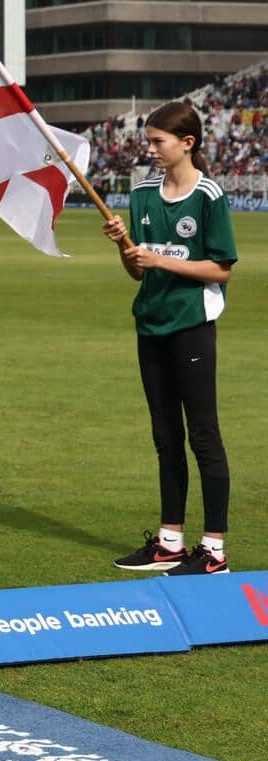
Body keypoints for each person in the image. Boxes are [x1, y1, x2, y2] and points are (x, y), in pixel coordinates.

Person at [102, 100, 239, 575]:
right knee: (165, 437)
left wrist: (160, 259)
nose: (152, 149)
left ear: (188, 143)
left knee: (204, 436)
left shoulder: (208, 196)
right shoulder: (141, 195)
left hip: (192, 327)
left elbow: (220, 268)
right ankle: (170, 542)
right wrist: (126, 248)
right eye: (149, 141)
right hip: (150, 325)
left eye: (159, 141)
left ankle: (214, 551)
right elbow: (136, 273)